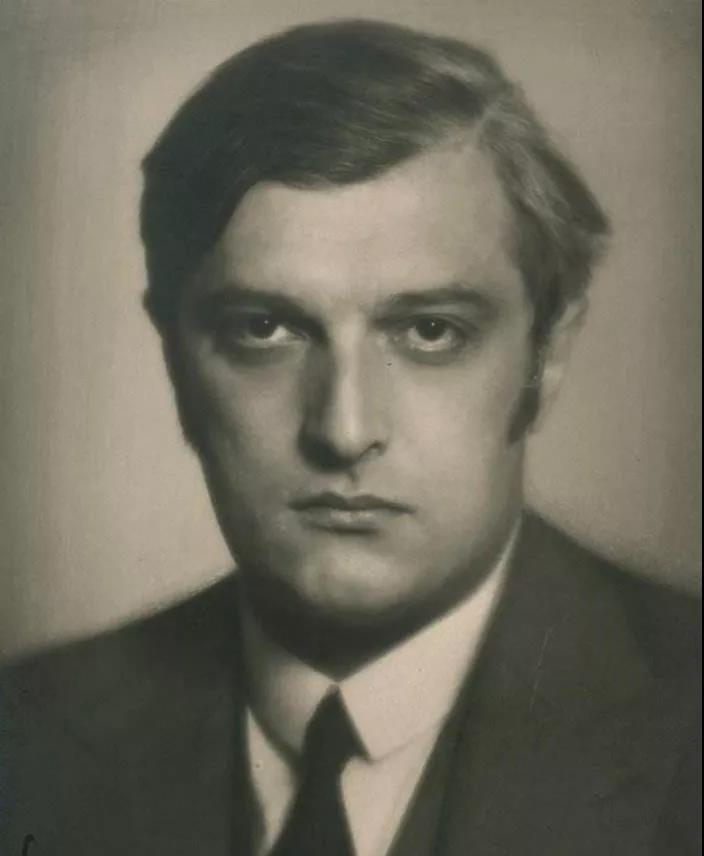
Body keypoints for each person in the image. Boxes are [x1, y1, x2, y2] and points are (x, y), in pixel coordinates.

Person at [1, 18, 700, 856]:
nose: (343, 429)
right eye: (264, 329)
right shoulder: (26, 736)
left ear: (545, 358)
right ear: (175, 359)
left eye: (430, 331)